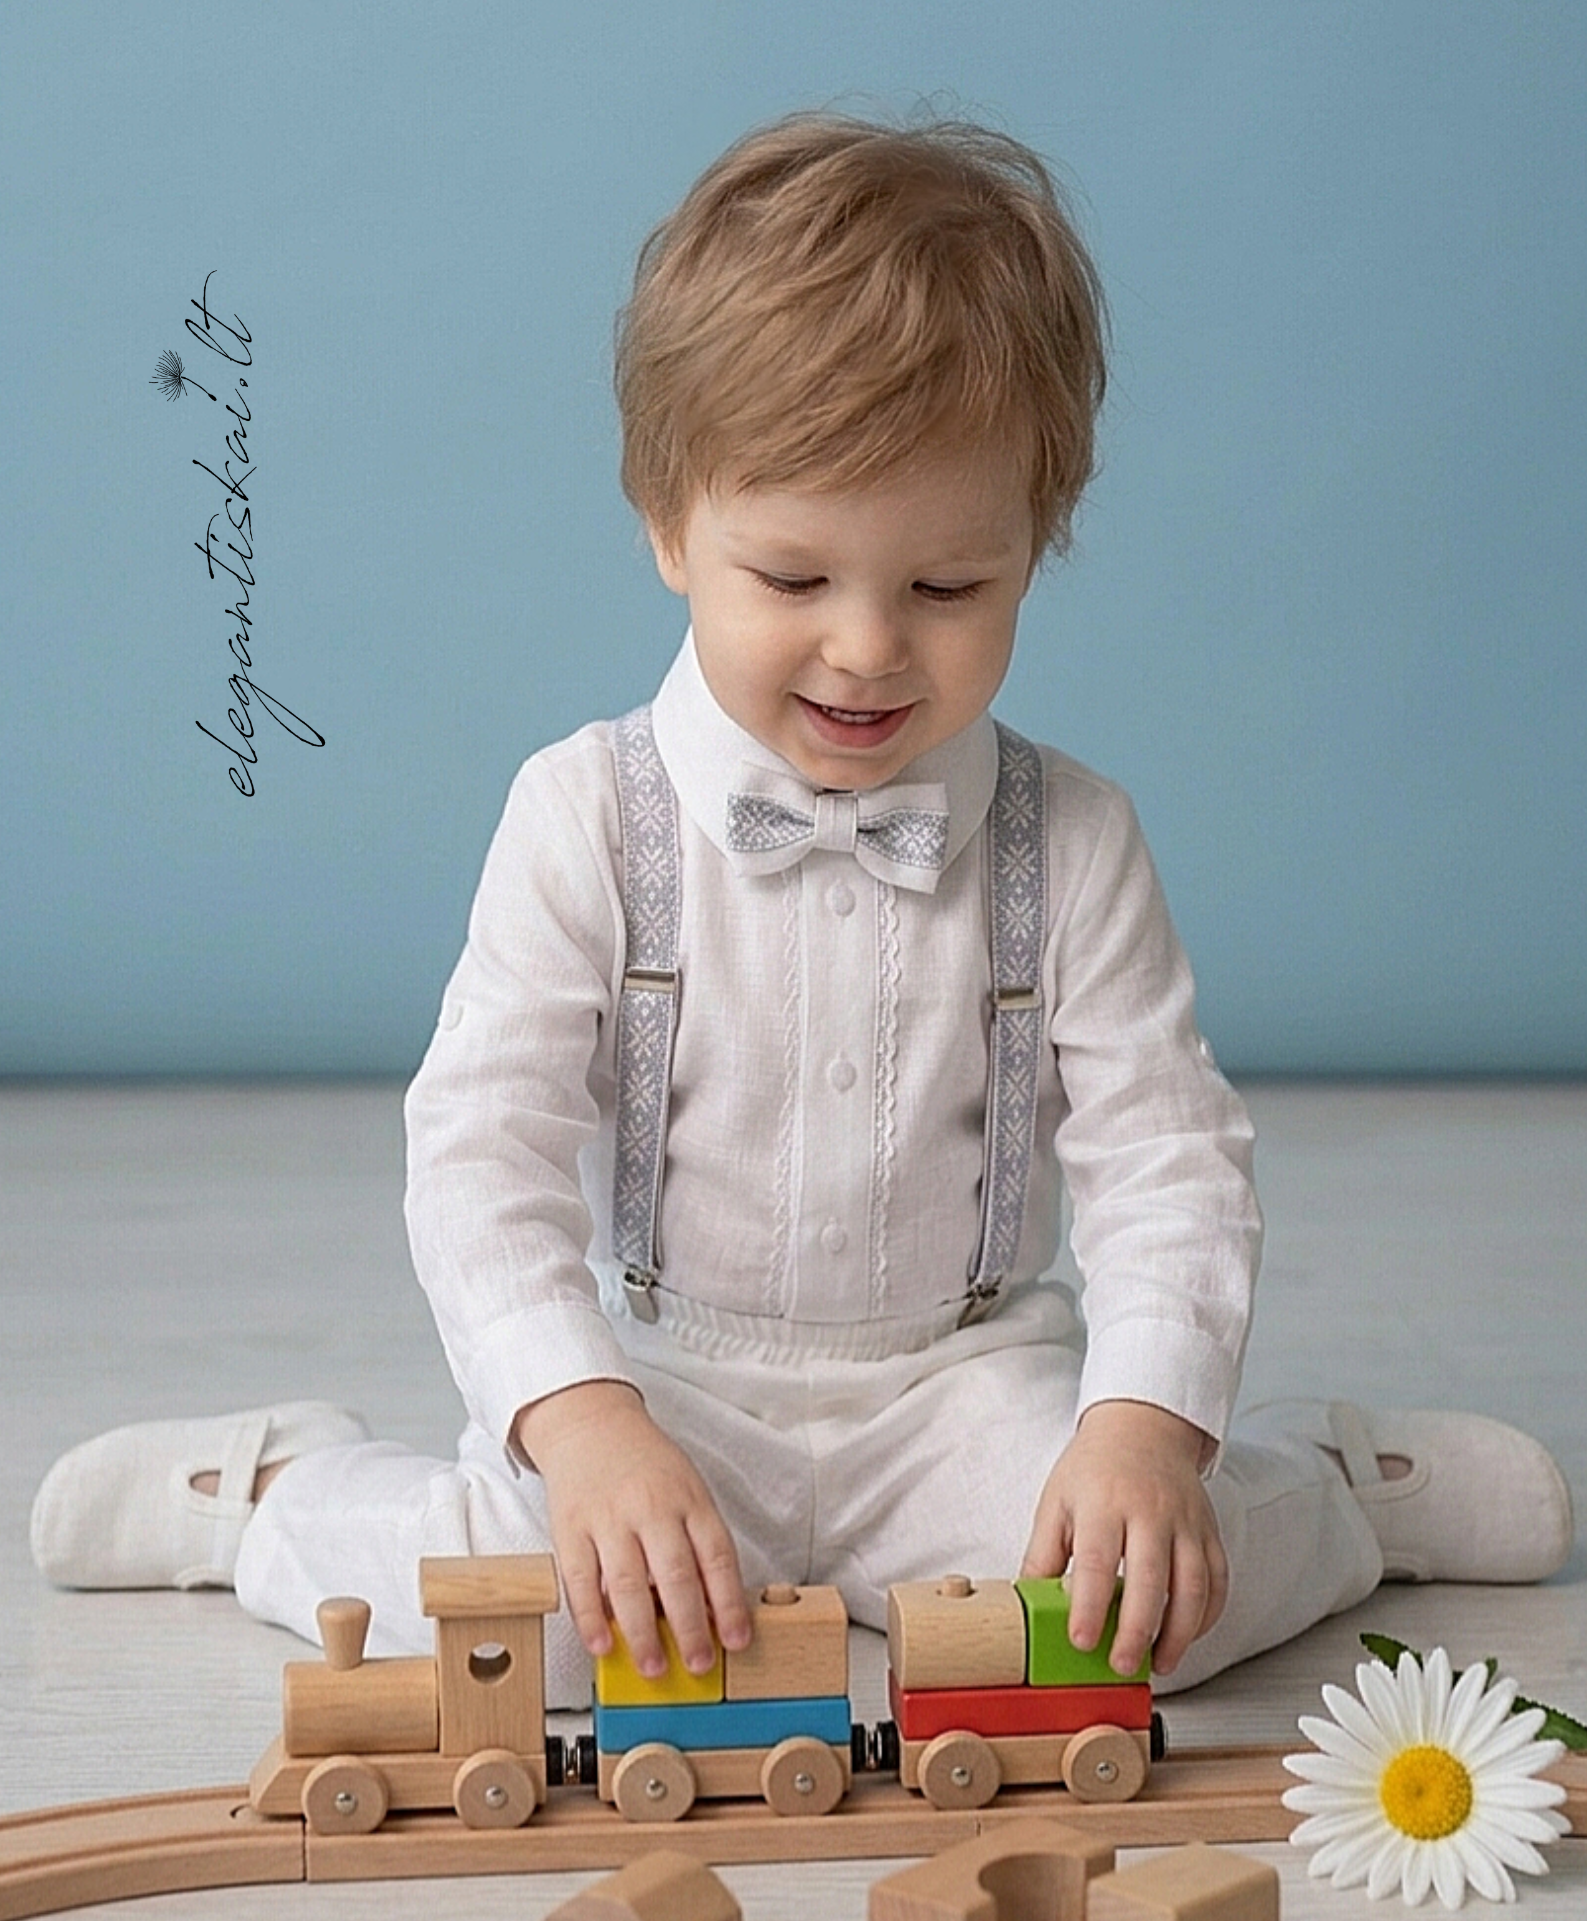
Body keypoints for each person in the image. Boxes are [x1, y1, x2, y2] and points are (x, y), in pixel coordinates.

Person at [31, 112, 1572, 1708]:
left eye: (946, 589)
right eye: (791, 579)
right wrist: (581, 1423)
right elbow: (479, 1150)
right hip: (674, 1383)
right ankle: (271, 1500)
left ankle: (1330, 1492)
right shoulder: (581, 817)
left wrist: (1141, 1430)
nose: (866, 649)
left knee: (1127, 1630)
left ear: (1033, 551)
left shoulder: (1078, 839)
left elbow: (1165, 1158)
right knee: (530, 1636)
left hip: (965, 1386)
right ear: (665, 520)